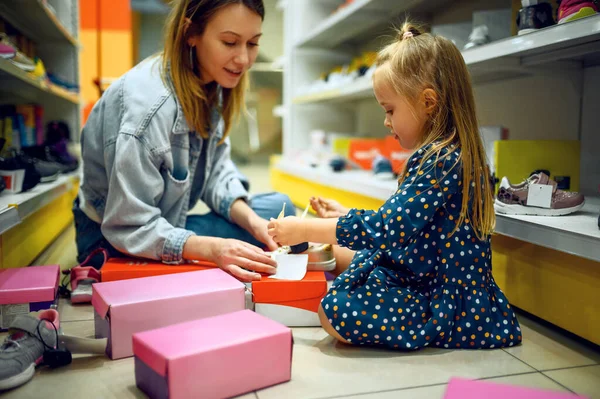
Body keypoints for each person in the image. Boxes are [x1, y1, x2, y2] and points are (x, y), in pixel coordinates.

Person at [268, 23, 522, 350]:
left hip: (440, 297)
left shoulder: (443, 160)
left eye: (390, 110)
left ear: (428, 103)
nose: (386, 122)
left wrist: (305, 229)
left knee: (333, 311)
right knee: (354, 261)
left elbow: (389, 227)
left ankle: (434, 326)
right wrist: (344, 215)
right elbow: (406, 222)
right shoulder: (444, 154)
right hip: (423, 270)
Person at [73, 0, 295, 283]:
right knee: (262, 228)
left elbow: (216, 173)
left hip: (164, 222)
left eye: (252, 44)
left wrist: (254, 224)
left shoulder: (209, 84)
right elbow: (129, 225)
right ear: (190, 33)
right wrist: (213, 249)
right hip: (112, 239)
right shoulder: (149, 110)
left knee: (276, 211)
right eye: (229, 42)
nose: (244, 59)